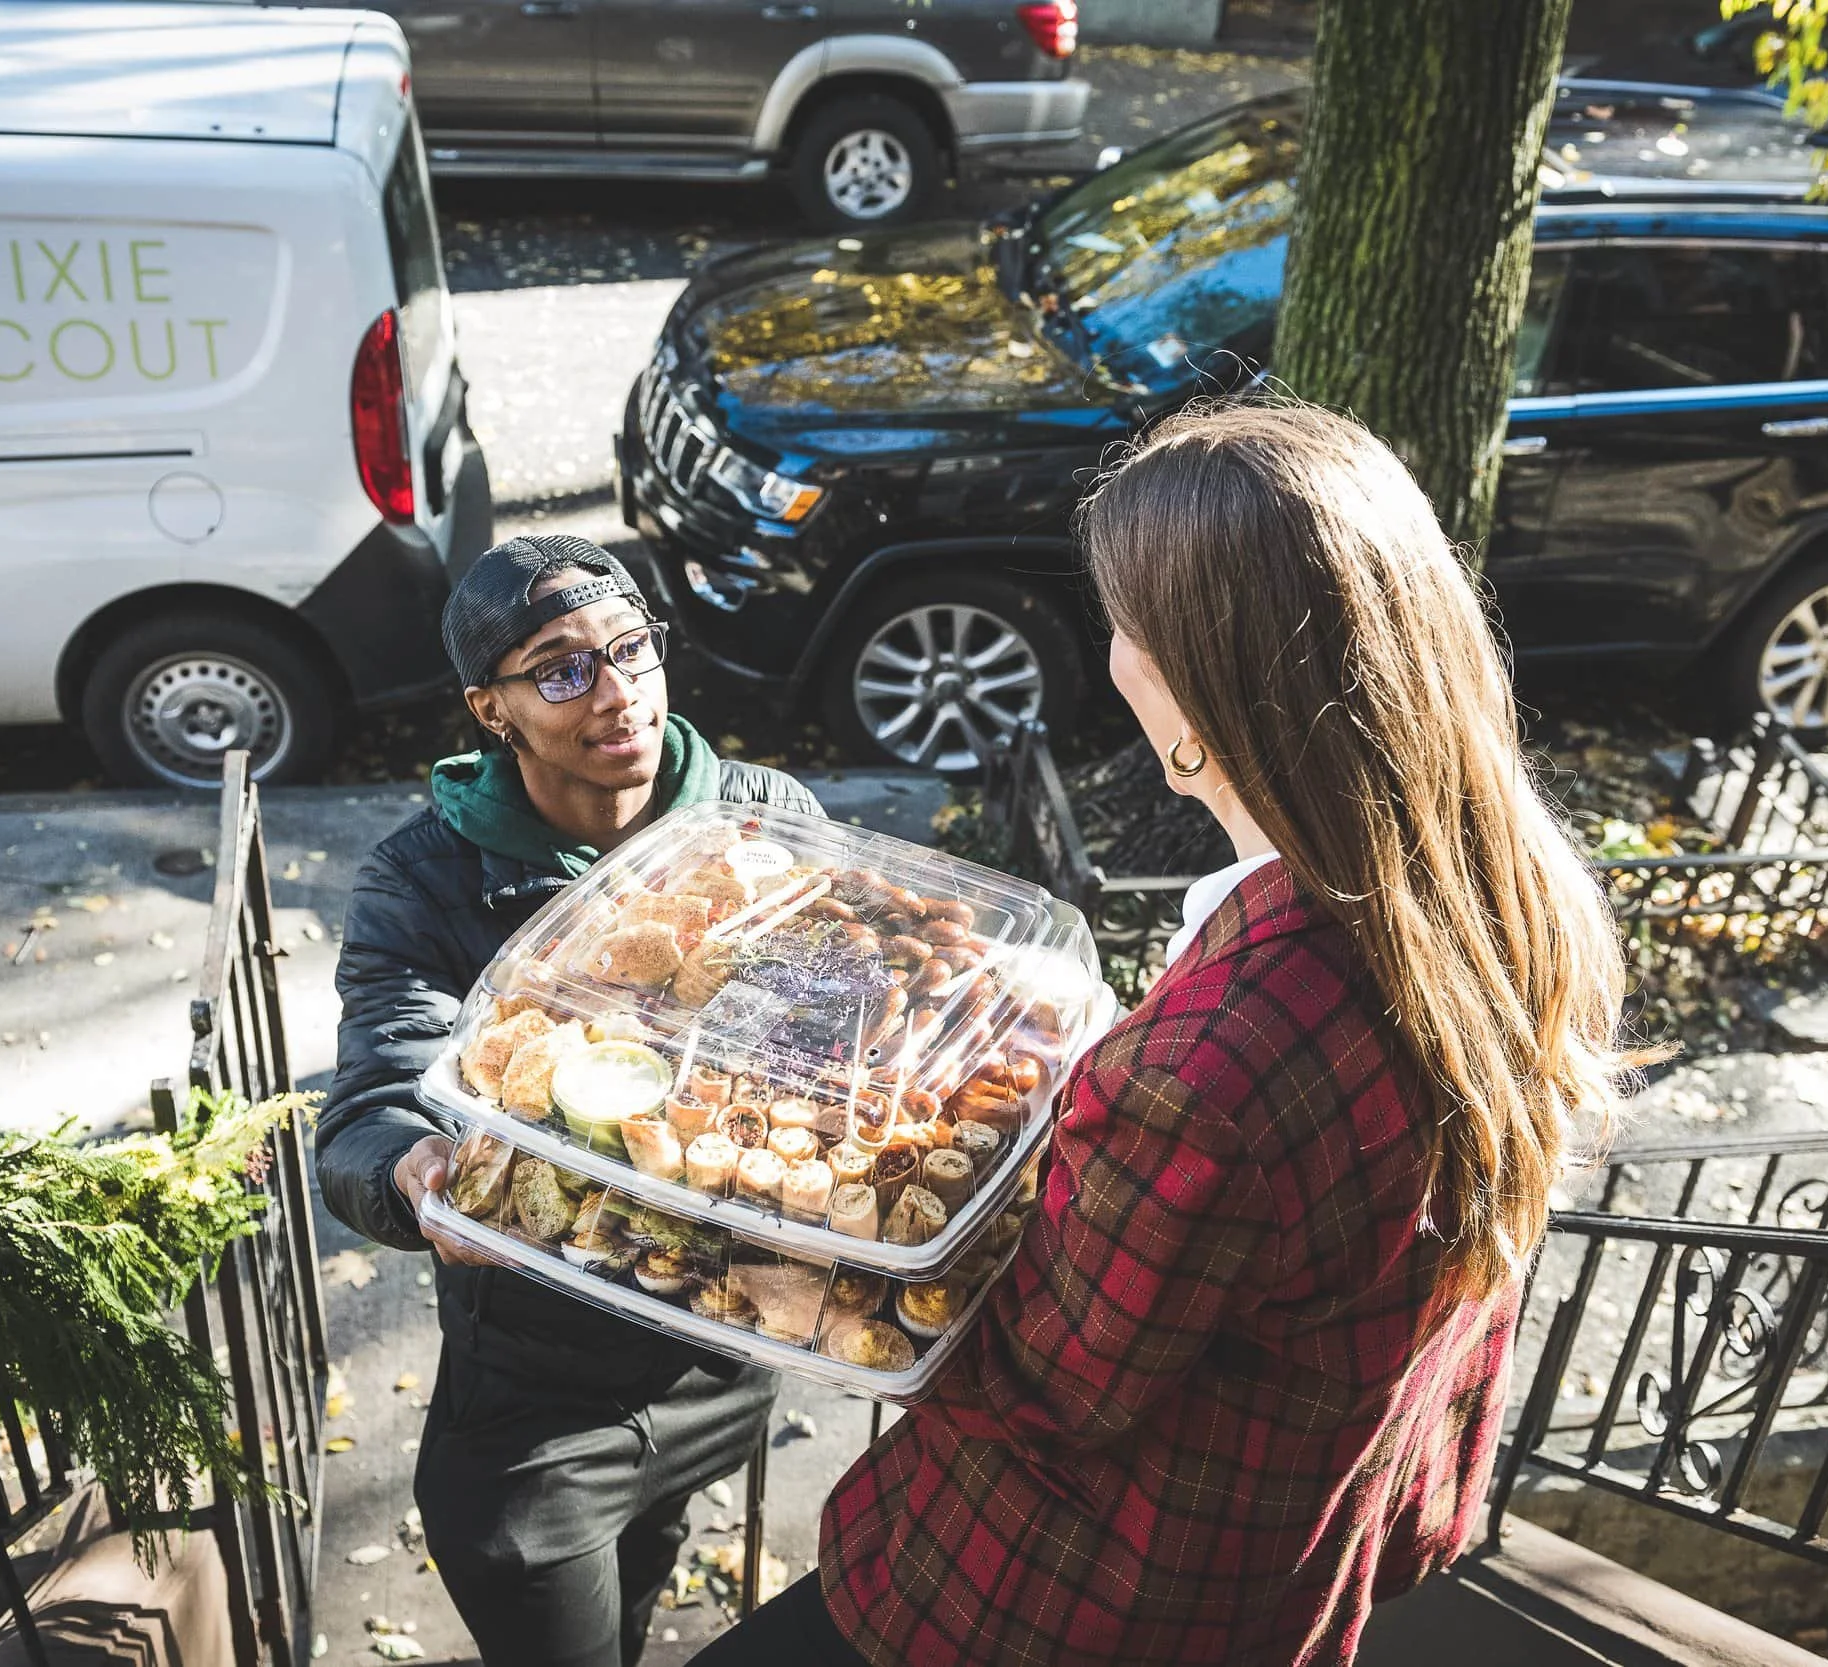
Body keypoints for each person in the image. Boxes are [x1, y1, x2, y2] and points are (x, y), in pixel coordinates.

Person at [693, 403, 1633, 1667]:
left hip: (1077, 1594)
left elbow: (1050, 1385)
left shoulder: (1211, 1066)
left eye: (1123, 623)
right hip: (1303, 1526)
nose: (1112, 650)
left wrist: (791, 1270)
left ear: (1199, 695)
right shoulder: (1500, 889)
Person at [316, 534, 822, 1667]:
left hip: (720, 1337)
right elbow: (371, 1098)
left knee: (649, 1579)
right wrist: (411, 1175)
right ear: (489, 710)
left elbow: (839, 1033)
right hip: (533, 1391)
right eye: (560, 669)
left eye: (631, 649)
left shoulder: (765, 816)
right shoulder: (425, 874)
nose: (617, 692)